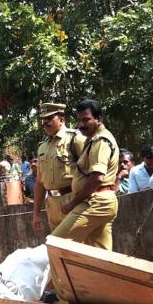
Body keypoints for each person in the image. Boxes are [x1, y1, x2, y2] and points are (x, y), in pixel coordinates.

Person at [51, 99, 119, 250]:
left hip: (96, 202)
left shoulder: (100, 141)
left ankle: (58, 275)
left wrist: (72, 203)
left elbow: (97, 178)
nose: (81, 125)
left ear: (99, 119)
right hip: (101, 202)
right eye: (79, 120)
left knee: (55, 243)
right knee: (99, 256)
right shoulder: (92, 140)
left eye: (86, 120)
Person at [32, 103, 87, 234]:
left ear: (61, 120)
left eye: (49, 119)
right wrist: (36, 214)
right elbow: (40, 183)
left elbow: (91, 173)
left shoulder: (76, 139)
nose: (45, 123)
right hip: (52, 203)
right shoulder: (43, 147)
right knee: (58, 247)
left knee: (76, 245)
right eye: (43, 120)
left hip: (72, 199)